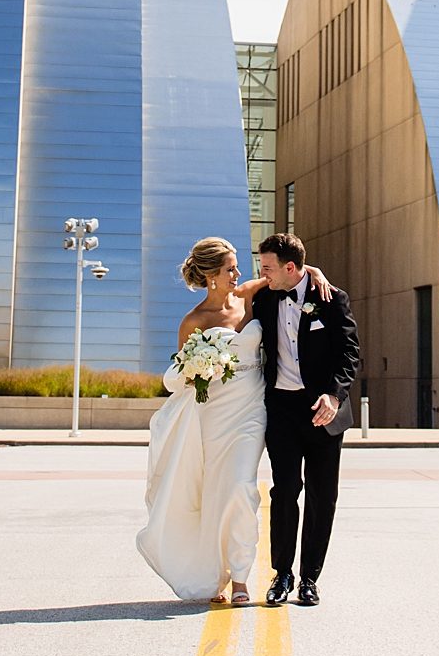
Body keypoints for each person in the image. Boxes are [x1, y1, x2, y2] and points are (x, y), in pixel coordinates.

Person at [137, 237, 330, 605]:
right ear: (211, 275)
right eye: (230, 268)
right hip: (213, 413)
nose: (239, 273)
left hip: (252, 408)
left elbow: (295, 274)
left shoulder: (246, 296)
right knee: (215, 493)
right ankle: (215, 575)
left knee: (241, 487)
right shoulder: (193, 321)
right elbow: (181, 375)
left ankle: (241, 576)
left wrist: (316, 270)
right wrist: (199, 369)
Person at [250, 232, 358, 607]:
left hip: (323, 412)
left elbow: (349, 354)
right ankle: (281, 574)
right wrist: (310, 268)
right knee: (284, 492)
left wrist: (334, 394)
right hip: (280, 410)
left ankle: (310, 578)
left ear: (289, 267)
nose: (262, 274)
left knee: (321, 496)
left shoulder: (331, 298)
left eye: (267, 267)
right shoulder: (264, 297)